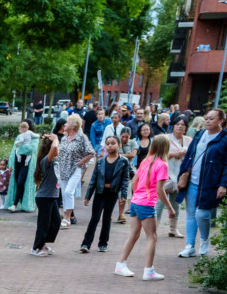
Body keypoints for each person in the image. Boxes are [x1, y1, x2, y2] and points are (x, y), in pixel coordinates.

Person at [178, 108, 227, 259]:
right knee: (191, 214)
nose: (207, 121)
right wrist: (182, 174)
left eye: (211, 118)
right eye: (207, 118)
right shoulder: (199, 134)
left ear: (221, 121)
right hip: (193, 181)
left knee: (203, 214)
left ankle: (204, 239)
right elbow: (189, 157)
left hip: (211, 183)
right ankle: (190, 246)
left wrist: (224, 184)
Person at [116, 133, 172, 280]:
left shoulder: (146, 161)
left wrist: (136, 195)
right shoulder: (162, 165)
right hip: (146, 203)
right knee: (152, 237)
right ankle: (149, 270)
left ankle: (120, 264)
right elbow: (160, 190)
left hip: (136, 202)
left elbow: (134, 181)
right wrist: (170, 208)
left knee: (134, 234)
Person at [81, 135, 132, 254]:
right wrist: (88, 196)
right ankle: (86, 243)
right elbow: (93, 179)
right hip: (100, 192)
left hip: (112, 193)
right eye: (107, 143)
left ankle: (103, 243)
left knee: (107, 217)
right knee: (95, 217)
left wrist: (123, 196)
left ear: (119, 145)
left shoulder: (123, 161)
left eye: (113, 143)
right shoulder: (100, 161)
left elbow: (125, 180)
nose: (110, 146)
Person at [57, 115, 95, 230]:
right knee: (64, 193)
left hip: (75, 169)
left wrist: (81, 162)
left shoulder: (81, 137)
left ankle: (67, 218)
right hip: (63, 168)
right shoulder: (64, 138)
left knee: (69, 191)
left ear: (73, 126)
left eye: (67, 123)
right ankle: (66, 218)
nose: (64, 125)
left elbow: (91, 152)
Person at [156, 117, 189, 237]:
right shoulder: (166, 138)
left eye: (183, 124)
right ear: (173, 126)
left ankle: (173, 229)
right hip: (166, 174)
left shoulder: (188, 140)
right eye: (177, 124)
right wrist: (176, 154)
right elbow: (159, 154)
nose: (180, 126)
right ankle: (154, 228)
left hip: (180, 176)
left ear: (186, 127)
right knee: (159, 203)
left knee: (176, 203)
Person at [31, 133, 61, 257]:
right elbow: (54, 148)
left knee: (56, 221)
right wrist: (56, 139)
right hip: (44, 197)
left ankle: (42, 243)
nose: (57, 149)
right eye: (56, 147)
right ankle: (35, 248)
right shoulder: (45, 161)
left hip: (51, 196)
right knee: (43, 224)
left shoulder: (54, 161)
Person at [7, 122, 38, 212]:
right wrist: (11, 164)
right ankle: (19, 202)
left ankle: (15, 204)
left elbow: (30, 149)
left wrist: (20, 148)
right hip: (17, 162)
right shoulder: (20, 136)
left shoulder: (33, 138)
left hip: (26, 164)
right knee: (17, 182)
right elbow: (14, 150)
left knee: (21, 182)